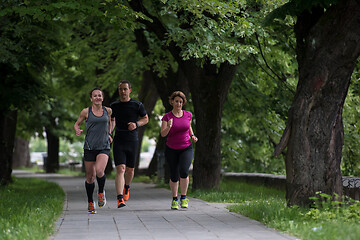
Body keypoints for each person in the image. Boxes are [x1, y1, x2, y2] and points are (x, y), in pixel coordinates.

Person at [110, 80, 149, 208]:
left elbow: (146, 119)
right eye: (120, 89)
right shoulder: (114, 106)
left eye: (125, 89)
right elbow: (112, 120)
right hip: (119, 140)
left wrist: (136, 124)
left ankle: (126, 187)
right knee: (120, 169)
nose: (122, 91)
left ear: (130, 90)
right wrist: (110, 132)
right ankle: (120, 198)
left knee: (130, 171)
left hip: (132, 140)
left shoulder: (137, 105)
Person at [74, 88, 112, 214]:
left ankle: (101, 192)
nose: (97, 97)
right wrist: (77, 130)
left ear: (102, 97)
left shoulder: (108, 111)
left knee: (100, 170)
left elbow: (111, 121)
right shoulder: (86, 112)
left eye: (99, 95)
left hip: (104, 146)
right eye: (95, 96)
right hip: (89, 147)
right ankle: (90, 202)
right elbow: (77, 124)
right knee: (90, 177)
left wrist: (109, 133)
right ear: (91, 98)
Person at [160, 91, 198, 210]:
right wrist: (169, 126)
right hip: (171, 148)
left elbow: (189, 127)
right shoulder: (167, 117)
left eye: (181, 102)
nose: (179, 104)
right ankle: (174, 199)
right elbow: (162, 134)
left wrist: (192, 136)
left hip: (186, 147)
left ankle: (184, 197)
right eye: (176, 101)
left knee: (184, 171)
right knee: (174, 175)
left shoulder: (188, 115)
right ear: (172, 102)